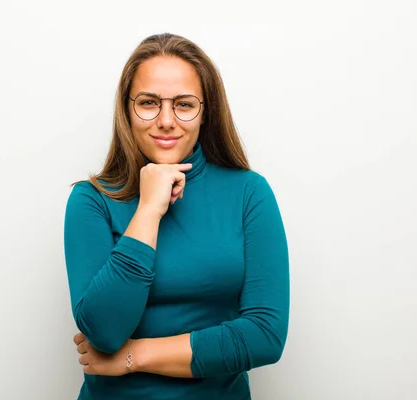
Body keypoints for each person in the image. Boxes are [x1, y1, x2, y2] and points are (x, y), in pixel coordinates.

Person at [63, 32, 289, 400]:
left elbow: (265, 335)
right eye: (149, 103)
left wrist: (136, 355)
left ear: (206, 111)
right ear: (126, 109)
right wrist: (149, 210)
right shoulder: (91, 200)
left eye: (183, 105)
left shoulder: (249, 193)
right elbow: (104, 331)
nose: (166, 120)